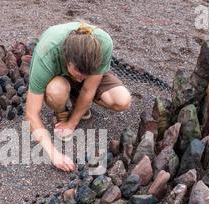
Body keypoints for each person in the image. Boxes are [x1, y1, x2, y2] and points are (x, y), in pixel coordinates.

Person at [25, 21, 132, 172]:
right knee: (56, 92)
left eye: (85, 76)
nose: (81, 79)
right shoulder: (46, 54)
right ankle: (61, 110)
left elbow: (89, 88)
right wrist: (54, 154)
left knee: (122, 100)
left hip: (90, 78)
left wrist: (71, 124)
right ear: (67, 60)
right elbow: (31, 113)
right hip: (59, 79)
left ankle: (78, 105)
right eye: (78, 75)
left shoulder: (104, 43)